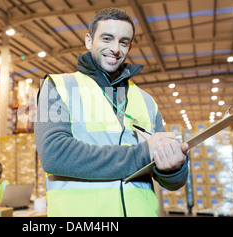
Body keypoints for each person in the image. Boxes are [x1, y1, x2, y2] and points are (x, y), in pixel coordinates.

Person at [34, 7, 189, 217]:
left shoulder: (146, 101)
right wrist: (142, 153)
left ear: (130, 46)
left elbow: (171, 183)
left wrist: (174, 166)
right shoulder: (57, 87)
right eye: (107, 39)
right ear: (89, 41)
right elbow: (54, 154)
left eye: (123, 42)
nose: (115, 49)